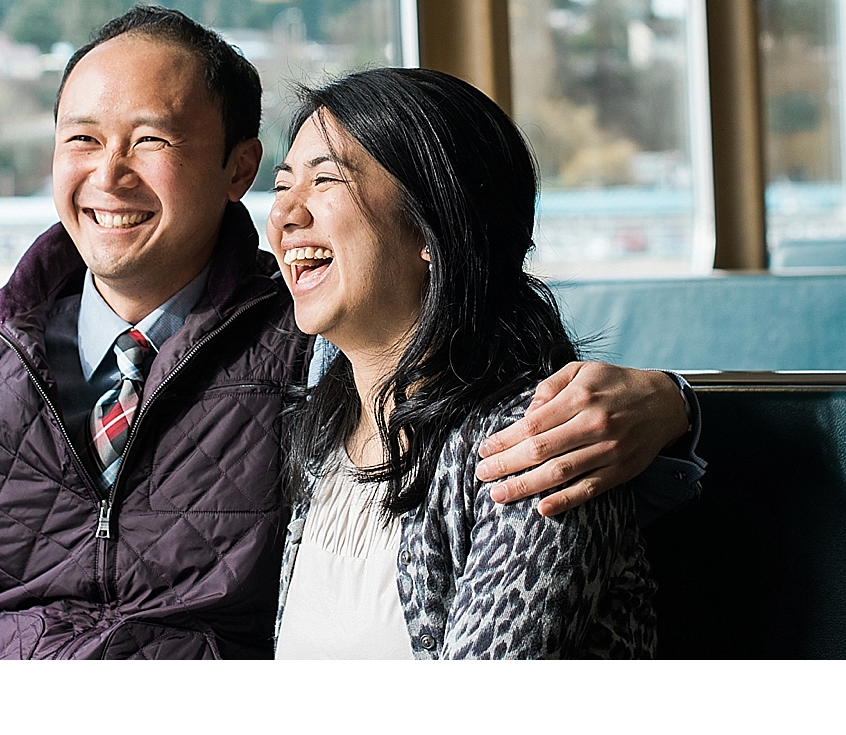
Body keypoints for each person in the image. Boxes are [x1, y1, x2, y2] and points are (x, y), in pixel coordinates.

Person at [0, 6, 699, 659]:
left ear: (234, 169)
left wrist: (673, 406)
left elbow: (482, 401)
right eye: (80, 139)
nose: (107, 173)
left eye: (149, 140)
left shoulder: (313, 351)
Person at [271, 67, 653, 658]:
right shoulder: (320, 429)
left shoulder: (533, 447)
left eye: (324, 181)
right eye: (281, 186)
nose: (285, 216)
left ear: (432, 228)